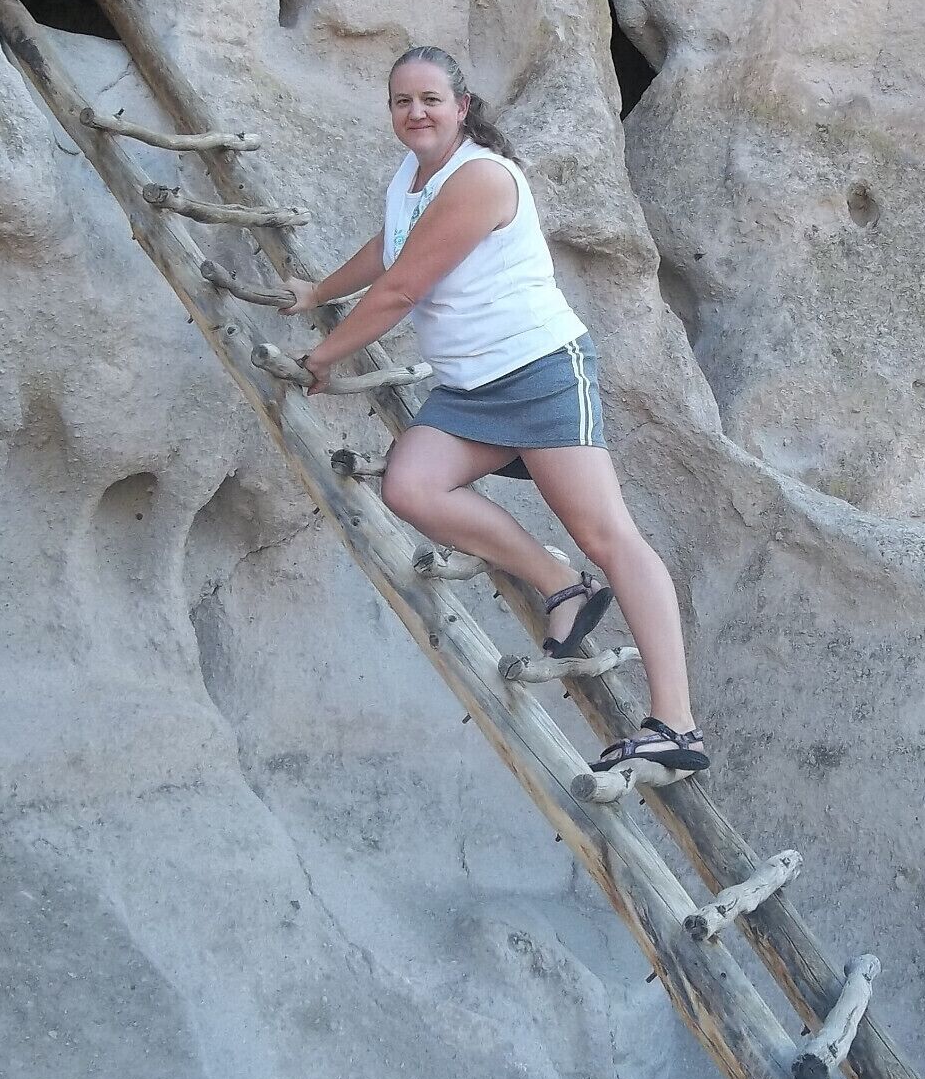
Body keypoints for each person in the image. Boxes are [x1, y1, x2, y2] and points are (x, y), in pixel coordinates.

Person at [281, 46, 708, 775]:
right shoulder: (414, 176)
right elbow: (391, 249)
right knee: (412, 487)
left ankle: (676, 726)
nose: (414, 112)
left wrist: (323, 356)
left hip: (539, 372)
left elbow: (402, 291)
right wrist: (317, 294)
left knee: (609, 534)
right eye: (401, 101)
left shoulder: (478, 177)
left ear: (462, 106)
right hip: (470, 386)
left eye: (429, 100)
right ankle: (558, 585)